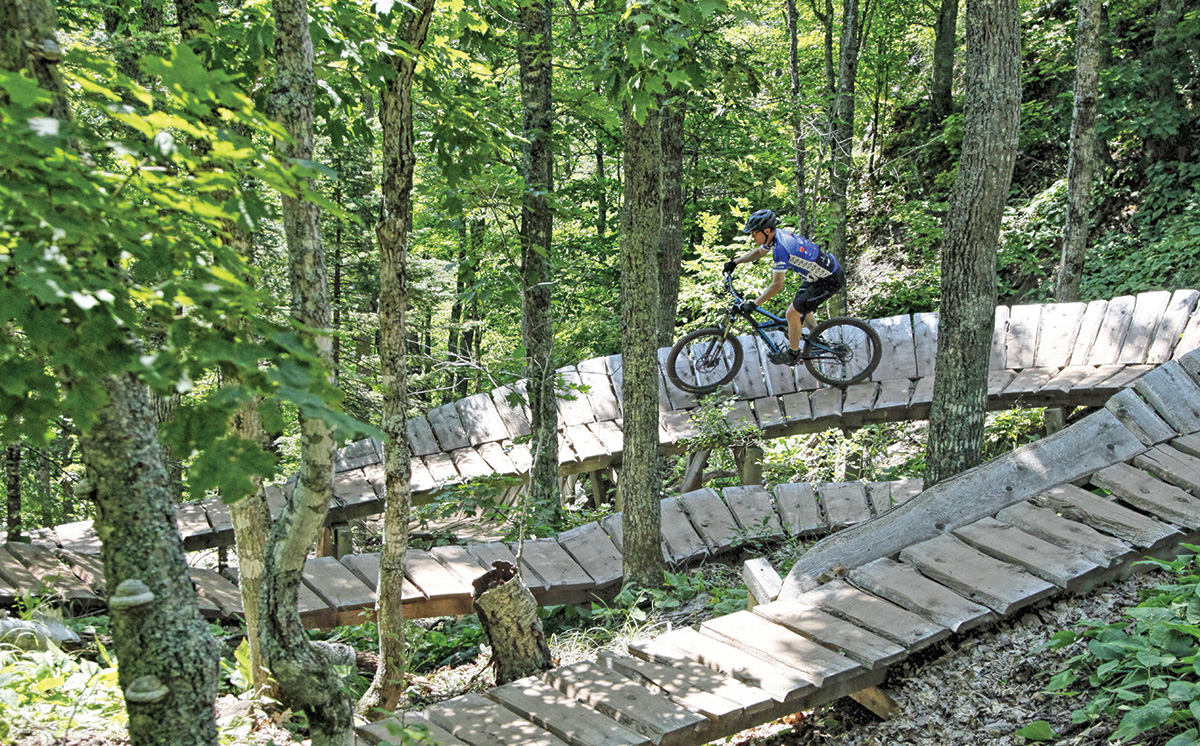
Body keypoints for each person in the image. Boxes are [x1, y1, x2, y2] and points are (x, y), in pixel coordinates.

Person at [723, 209, 845, 365]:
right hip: (818, 276)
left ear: (767, 231)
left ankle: (793, 354)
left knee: (792, 313)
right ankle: (820, 342)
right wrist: (735, 262)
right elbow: (759, 253)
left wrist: (754, 304)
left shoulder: (781, 249)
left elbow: (777, 285)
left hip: (829, 279)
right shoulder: (775, 237)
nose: (752, 236)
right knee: (802, 310)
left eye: (754, 233)